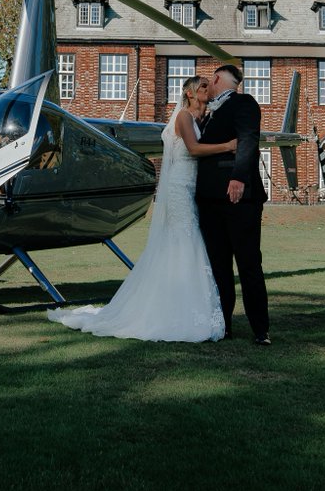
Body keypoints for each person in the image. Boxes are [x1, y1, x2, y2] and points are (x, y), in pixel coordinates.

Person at [48, 76, 237, 342]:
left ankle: (182, 304)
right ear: (190, 92)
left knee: (186, 239)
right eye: (203, 86)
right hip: (179, 187)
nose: (209, 89)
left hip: (191, 186)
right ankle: (177, 308)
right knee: (185, 238)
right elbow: (194, 149)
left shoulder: (198, 118)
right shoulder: (183, 117)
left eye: (209, 85)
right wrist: (228, 146)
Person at [196, 64, 271, 345]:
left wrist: (239, 177)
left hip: (239, 197)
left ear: (216, 78)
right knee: (218, 265)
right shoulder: (207, 114)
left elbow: (248, 139)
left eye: (209, 81)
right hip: (209, 199)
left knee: (249, 263)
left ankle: (260, 329)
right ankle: (223, 326)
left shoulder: (244, 103)